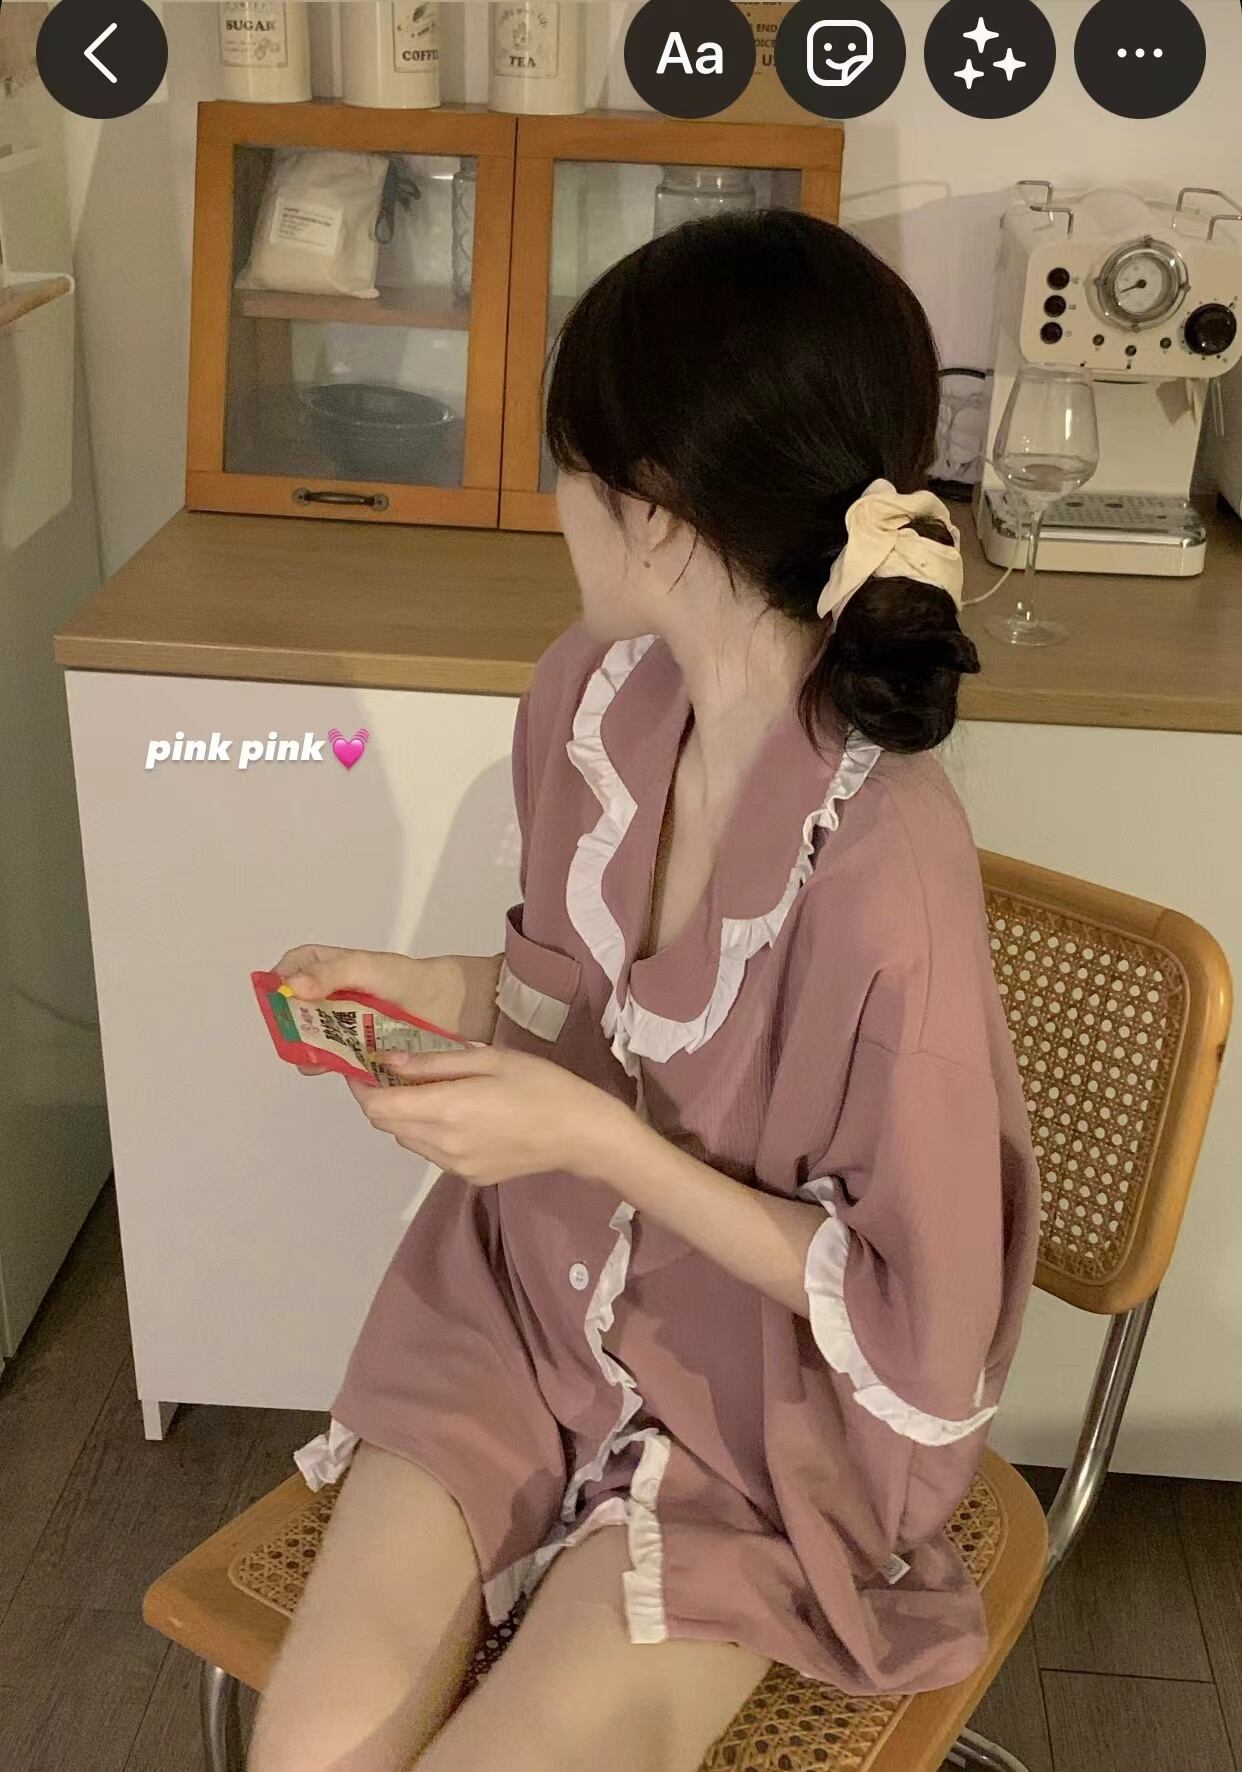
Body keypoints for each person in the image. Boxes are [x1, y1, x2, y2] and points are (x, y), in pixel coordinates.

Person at [249, 210, 1040, 1772]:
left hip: (771, 1419)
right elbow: (574, 998)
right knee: (307, 1755)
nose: (555, 503)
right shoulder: (587, 700)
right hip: (526, 1309)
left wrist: (594, 1144)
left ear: (658, 509)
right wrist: (427, 986)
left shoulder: (887, 866)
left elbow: (919, 1317)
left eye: (569, 467)